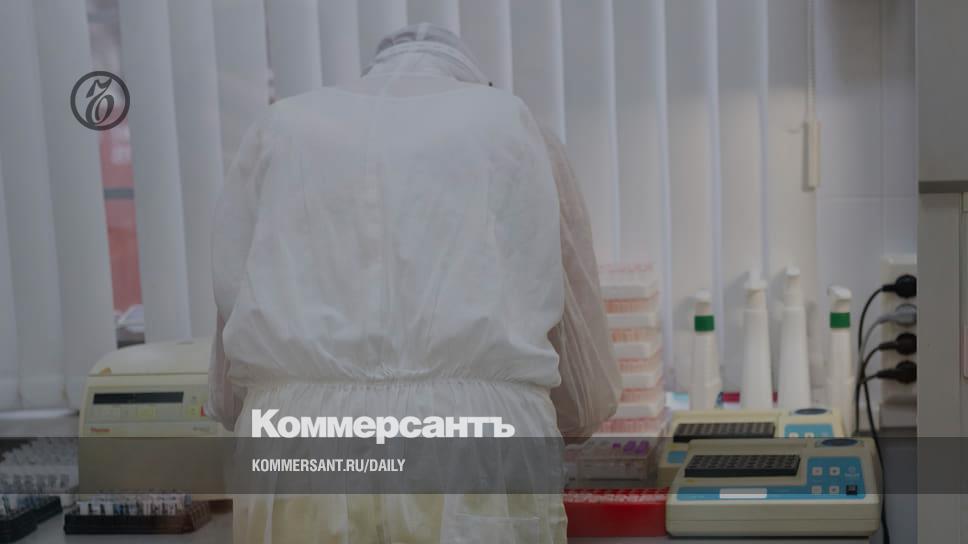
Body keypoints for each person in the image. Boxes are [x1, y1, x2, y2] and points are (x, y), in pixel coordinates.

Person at [208, 23, 620, 543]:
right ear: (475, 83)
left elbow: (228, 392)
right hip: (474, 451)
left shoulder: (279, 130)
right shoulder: (515, 129)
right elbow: (584, 394)